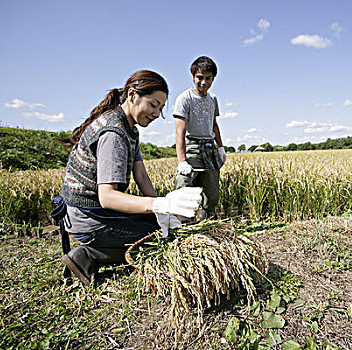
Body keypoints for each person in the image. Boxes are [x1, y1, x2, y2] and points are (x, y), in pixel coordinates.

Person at [58, 70, 202, 285]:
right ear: (133, 95)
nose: (156, 114)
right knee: (158, 238)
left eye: (160, 109)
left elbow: (141, 175)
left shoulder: (129, 129)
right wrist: (158, 205)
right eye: (153, 105)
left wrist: (164, 212)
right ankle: (87, 255)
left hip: (97, 210)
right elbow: (107, 197)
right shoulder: (114, 134)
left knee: (167, 226)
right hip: (88, 216)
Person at [173, 56, 226, 220]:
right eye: (200, 77)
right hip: (192, 148)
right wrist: (182, 160)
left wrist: (221, 147)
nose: (204, 82)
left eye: (208, 78)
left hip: (209, 149)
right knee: (184, 188)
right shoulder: (184, 99)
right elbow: (180, 132)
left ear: (213, 78)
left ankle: (204, 221)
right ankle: (182, 225)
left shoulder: (213, 99)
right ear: (193, 77)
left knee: (213, 195)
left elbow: (214, 124)